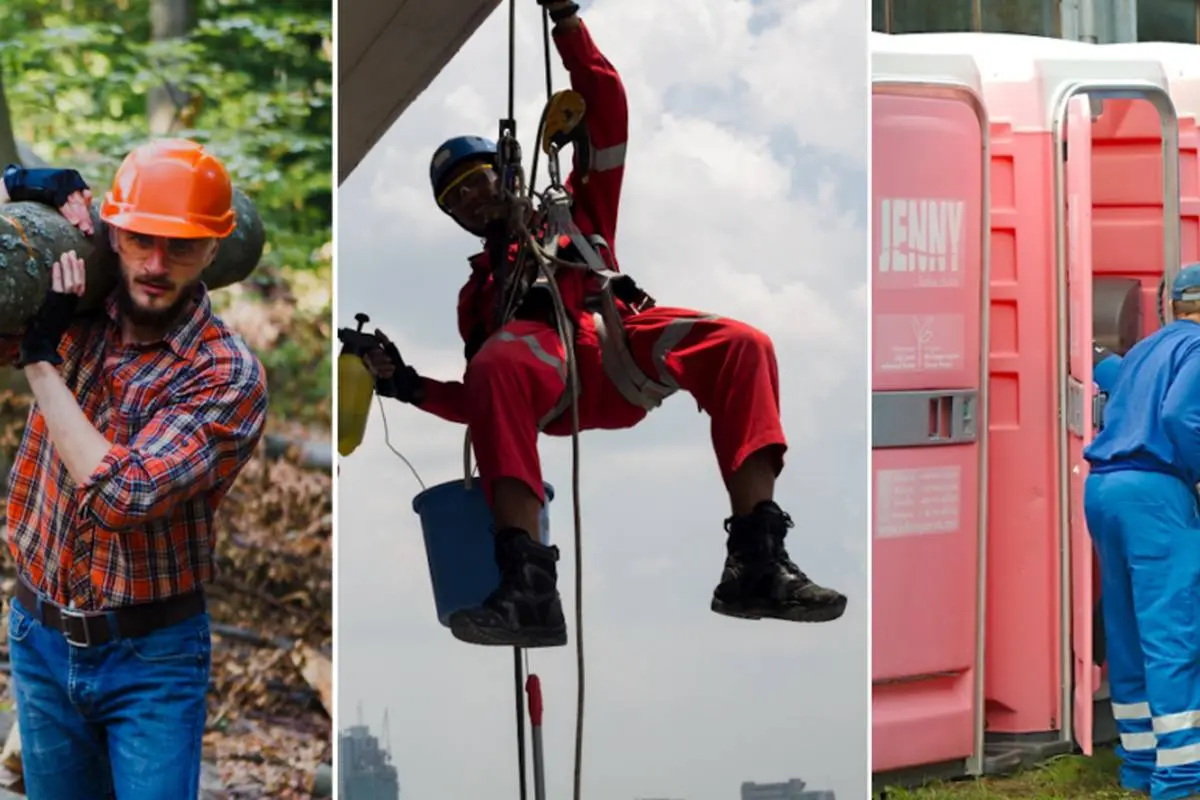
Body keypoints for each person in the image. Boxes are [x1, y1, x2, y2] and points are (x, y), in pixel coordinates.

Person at [363, 0, 846, 650]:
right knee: (498, 365)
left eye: (477, 182)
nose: (472, 202)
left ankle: (756, 558)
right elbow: (488, 401)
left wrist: (565, 20)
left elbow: (607, 108)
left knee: (742, 345)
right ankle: (528, 584)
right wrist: (408, 385)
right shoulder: (479, 297)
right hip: (550, 378)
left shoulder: (571, 212)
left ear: (506, 171)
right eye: (456, 201)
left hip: (614, 347)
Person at [0, 140, 268, 799]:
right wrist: (22, 183)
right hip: (39, 636)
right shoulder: (75, 301)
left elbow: (121, 494)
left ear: (213, 250)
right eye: (141, 239)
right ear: (114, 233)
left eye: (179, 247)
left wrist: (41, 360)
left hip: (151, 661)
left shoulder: (227, 375)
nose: (154, 264)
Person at [1083, 262, 1200, 800]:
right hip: (1155, 493)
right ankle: (1179, 778)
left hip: (1104, 489)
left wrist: (1086, 349)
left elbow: (1106, 374)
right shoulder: (1197, 348)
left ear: (1169, 305)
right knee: (1171, 632)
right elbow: (1181, 414)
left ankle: (1137, 764)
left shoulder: (1148, 351)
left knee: (1126, 629)